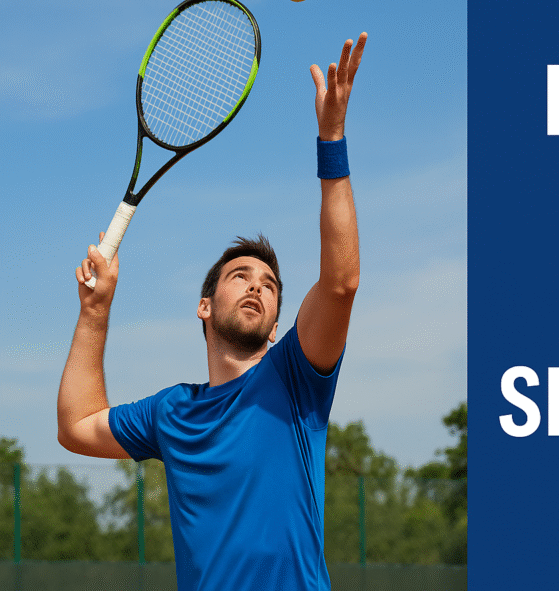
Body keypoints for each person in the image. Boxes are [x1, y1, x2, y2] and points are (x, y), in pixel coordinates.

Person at [57, 33, 368, 591]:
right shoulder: (171, 413)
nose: (257, 287)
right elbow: (78, 428)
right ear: (205, 306)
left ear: (277, 324)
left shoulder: (296, 377)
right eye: (239, 276)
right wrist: (95, 311)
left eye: (270, 285)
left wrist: (332, 139)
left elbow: (341, 284)